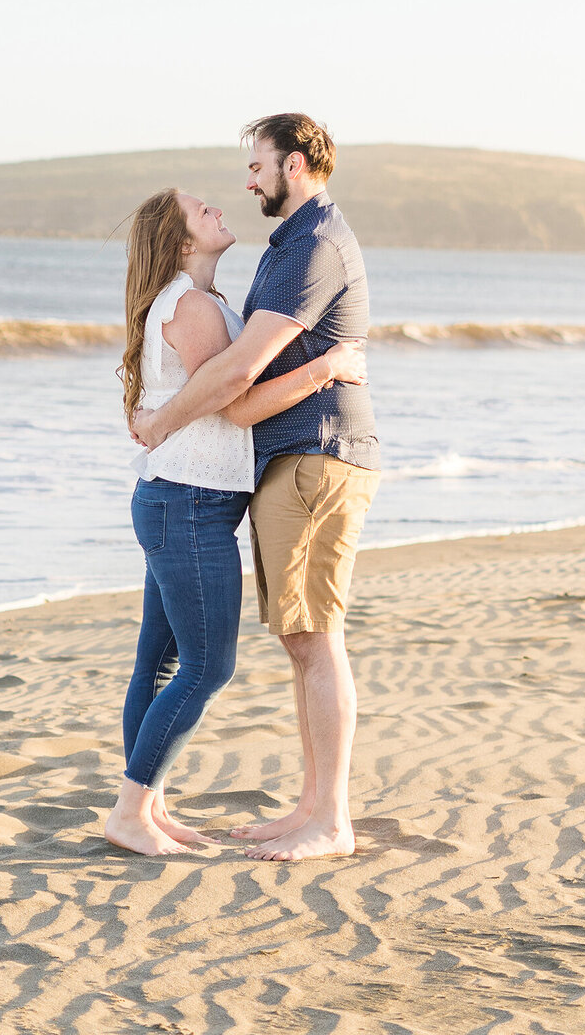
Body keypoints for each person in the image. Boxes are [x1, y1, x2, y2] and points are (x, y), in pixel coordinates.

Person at [132, 113, 379, 862]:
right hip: (280, 464)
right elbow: (231, 375)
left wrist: (160, 422)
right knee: (299, 641)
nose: (246, 182)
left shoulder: (310, 245)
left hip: (315, 455)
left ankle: (328, 819)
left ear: (297, 165)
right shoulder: (284, 248)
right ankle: (310, 807)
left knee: (313, 638)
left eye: (258, 165)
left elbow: (237, 382)